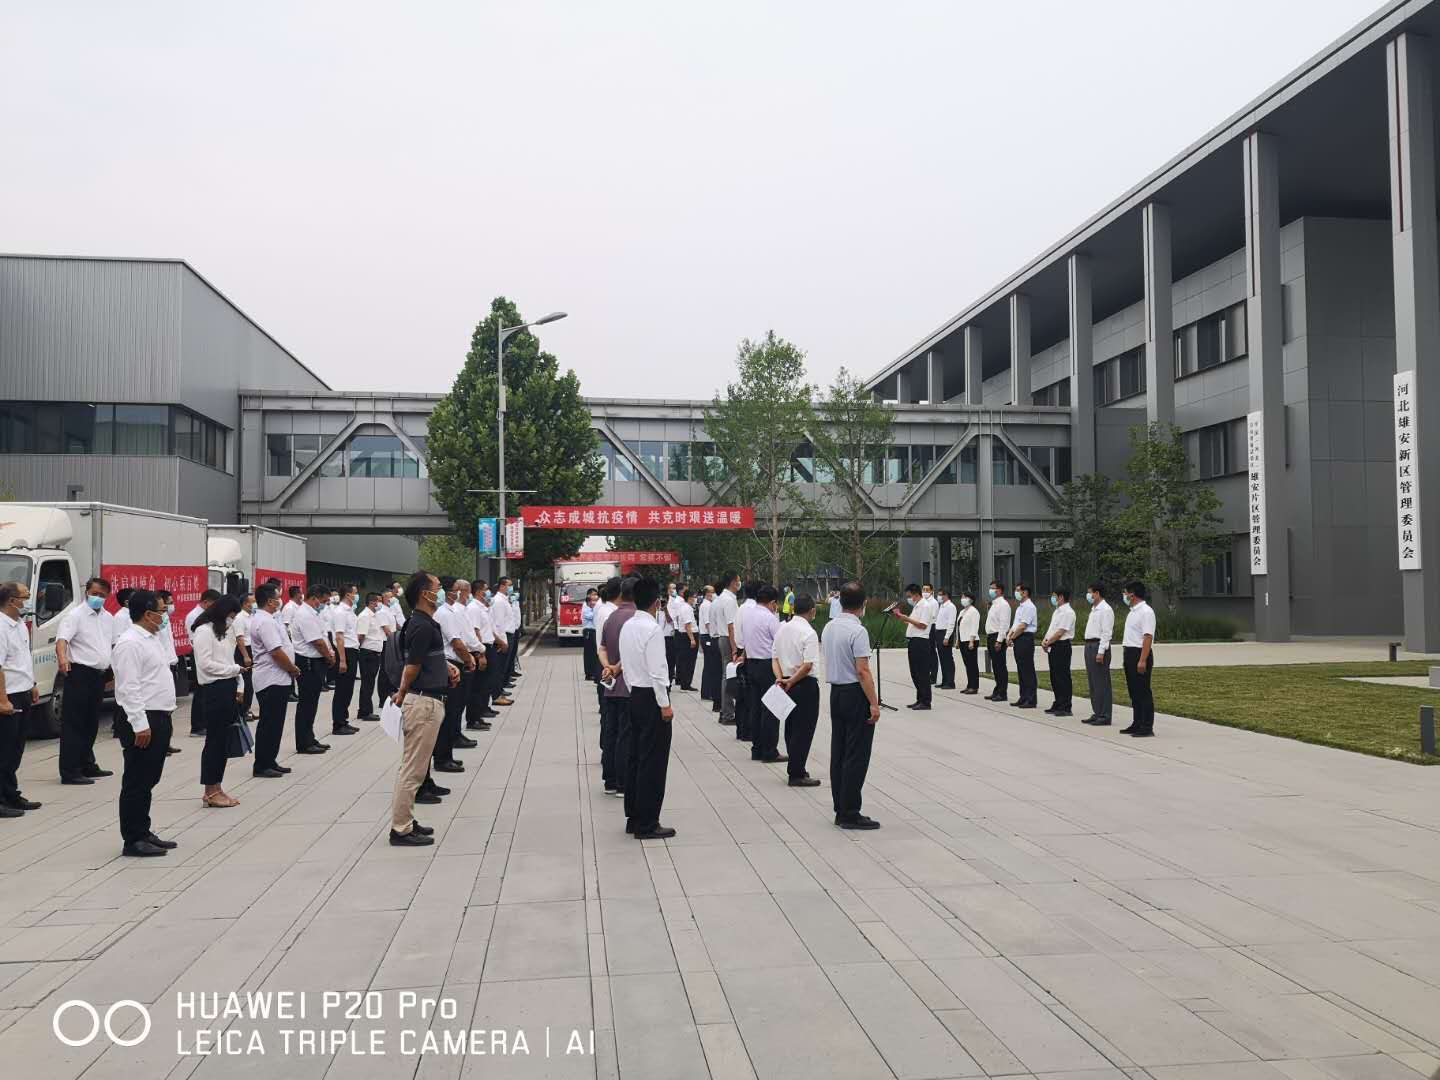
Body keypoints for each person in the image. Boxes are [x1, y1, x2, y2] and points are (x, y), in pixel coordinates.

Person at [388, 572, 456, 846]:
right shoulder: (422, 625)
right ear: (425, 594)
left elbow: (424, 658)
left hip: (427, 699)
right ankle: (401, 829)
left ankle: (406, 820)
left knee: (415, 767)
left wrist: (446, 667)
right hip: (423, 702)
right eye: (438, 588)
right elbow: (412, 665)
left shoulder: (422, 623)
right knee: (413, 770)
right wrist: (402, 692)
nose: (442, 592)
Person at [110, 589, 180, 856]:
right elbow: (129, 687)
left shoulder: (151, 638)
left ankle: (144, 830)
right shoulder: (130, 643)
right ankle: (133, 839)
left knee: (149, 777)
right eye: (162, 611)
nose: (165, 615)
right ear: (149, 614)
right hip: (142, 718)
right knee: (137, 780)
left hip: (159, 715)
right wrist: (139, 723)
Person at [618, 577, 676, 839]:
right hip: (652, 698)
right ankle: (648, 823)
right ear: (657, 603)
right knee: (653, 762)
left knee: (636, 757)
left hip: (634, 695)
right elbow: (658, 671)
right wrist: (665, 705)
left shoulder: (628, 626)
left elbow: (628, 664)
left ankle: (634, 816)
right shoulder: (652, 629)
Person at [822, 582, 881, 830]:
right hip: (855, 694)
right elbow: (862, 670)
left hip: (836, 693)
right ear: (863, 604)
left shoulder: (829, 627)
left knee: (839, 752)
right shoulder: (858, 631)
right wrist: (874, 703)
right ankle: (850, 812)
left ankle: (840, 806)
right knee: (856, 754)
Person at [55, 576, 115, 785]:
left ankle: (87, 764)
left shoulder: (108, 618)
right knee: (74, 723)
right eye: (94, 594)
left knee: (91, 722)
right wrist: (63, 659)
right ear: (86, 592)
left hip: (99, 675)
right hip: (79, 673)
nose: (97, 598)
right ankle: (70, 770)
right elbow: (62, 640)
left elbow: (112, 644)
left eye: (102, 595)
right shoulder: (75, 616)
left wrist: (113, 671)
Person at [192, 596, 244, 808]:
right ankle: (210, 790)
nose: (232, 620)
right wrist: (234, 670)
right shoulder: (203, 631)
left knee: (223, 741)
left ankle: (217, 786)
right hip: (214, 689)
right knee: (214, 742)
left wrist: (239, 683)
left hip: (228, 686)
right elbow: (205, 664)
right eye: (231, 615)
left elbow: (229, 660)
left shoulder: (221, 631)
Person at [249, 583, 299, 778]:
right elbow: (276, 652)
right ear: (270, 601)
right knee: (269, 723)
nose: (280, 601)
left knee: (276, 723)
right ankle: (262, 765)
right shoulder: (265, 622)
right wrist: (292, 668)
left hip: (278, 678)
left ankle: (270, 760)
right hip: (271, 679)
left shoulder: (269, 618)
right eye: (278, 597)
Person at [772, 592, 821, 786]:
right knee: (804, 729)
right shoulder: (809, 632)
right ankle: (796, 773)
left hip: (785, 682)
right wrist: (792, 680)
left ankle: (796, 766)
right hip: (803, 684)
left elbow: (774, 658)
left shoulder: (782, 628)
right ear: (812, 611)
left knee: (791, 727)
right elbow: (808, 665)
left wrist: (781, 679)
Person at [0, 582, 39, 817]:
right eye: (26, 596)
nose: (29, 600)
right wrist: (3, 700)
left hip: (23, 691)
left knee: (16, 749)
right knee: (4, 750)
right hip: (8, 695)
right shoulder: (1, 627)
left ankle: (10, 794)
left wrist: (32, 684)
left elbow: (23, 658)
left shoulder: (19, 625)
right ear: (13, 600)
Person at [599, 576, 639, 801]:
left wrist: (608, 667)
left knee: (611, 732)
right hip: (627, 685)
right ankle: (624, 782)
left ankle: (610, 780)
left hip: (611, 685)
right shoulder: (636, 618)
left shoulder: (611, 617)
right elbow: (634, 651)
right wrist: (617, 668)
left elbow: (602, 647)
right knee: (626, 735)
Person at [432, 577, 476, 774]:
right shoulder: (444, 613)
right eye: (456, 589)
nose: (459, 593)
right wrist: (469, 660)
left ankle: (447, 754)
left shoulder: (451, 611)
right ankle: (442, 758)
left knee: (454, 711)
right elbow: (456, 642)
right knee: (449, 714)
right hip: (450, 665)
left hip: (453, 664)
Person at [290, 584, 335, 754]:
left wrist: (329, 654)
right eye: (323, 601)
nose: (323, 604)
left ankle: (310, 737)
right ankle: (304, 743)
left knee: (312, 703)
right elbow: (317, 641)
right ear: (314, 597)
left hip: (316, 661)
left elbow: (323, 636)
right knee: (307, 703)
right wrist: (329, 656)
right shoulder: (304, 614)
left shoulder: (312, 613)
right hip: (308, 663)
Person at [744, 584, 783, 761]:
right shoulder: (770, 618)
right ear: (772, 602)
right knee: (771, 709)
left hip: (751, 664)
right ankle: (769, 751)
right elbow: (780, 642)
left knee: (755, 708)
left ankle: (757, 748)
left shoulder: (748, 615)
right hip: (767, 666)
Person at [1120, 581, 1157, 737]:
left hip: (1140, 653)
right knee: (1134, 691)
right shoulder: (1132, 612)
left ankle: (1146, 726)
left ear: (1132, 594)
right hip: (1129, 653)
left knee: (1143, 691)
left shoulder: (1146, 612)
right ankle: (1137, 722)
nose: (1124, 596)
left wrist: (1142, 660)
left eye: (1125, 592)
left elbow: (1147, 637)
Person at [893, 583, 934, 710]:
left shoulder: (925, 606)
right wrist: (902, 617)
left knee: (922, 672)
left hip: (920, 642)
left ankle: (926, 701)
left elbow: (923, 625)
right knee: (915, 672)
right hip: (913, 641)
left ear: (916, 594)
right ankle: (920, 699)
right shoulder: (917, 606)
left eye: (910, 596)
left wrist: (907, 618)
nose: (909, 599)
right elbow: (912, 623)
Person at [464, 580, 497, 729]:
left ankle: (480, 712)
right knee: (478, 686)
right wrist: (480, 654)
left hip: (487, 646)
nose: (488, 592)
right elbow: (475, 631)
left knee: (485, 683)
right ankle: (473, 719)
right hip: (481, 649)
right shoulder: (473, 608)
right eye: (486, 589)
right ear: (478, 591)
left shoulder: (481, 607)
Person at [1083, 583, 1115, 726]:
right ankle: (1097, 712)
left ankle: (1105, 715)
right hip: (1089, 645)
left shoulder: (1105, 610)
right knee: (1093, 682)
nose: (1088, 595)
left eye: (1090, 592)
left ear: (1097, 593)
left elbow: (1106, 633)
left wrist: (1101, 652)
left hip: (1098, 645)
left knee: (1102, 682)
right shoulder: (1094, 609)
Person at [330, 583, 360, 736]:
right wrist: (342, 660)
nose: (356, 595)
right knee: (342, 689)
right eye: (355, 593)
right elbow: (339, 637)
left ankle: (344, 720)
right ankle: (338, 724)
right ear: (348, 595)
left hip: (352, 650)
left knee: (348, 689)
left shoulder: (350, 611)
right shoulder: (340, 612)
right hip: (345, 652)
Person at [1042, 588, 1076, 717]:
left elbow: (1060, 632)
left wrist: (1049, 642)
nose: (1053, 598)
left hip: (1062, 645)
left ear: (1061, 597)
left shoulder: (1068, 612)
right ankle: (1058, 702)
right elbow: (1052, 629)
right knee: (1054, 676)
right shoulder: (1057, 611)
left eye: (1054, 596)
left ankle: (1066, 706)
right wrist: (1045, 641)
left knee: (1063, 676)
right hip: (1053, 645)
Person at [713, 572, 741, 727]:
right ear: (732, 582)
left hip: (722, 638)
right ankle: (728, 714)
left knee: (726, 674)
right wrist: (735, 647)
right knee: (728, 676)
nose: (739, 583)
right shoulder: (729, 600)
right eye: (738, 580)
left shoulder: (721, 598)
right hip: (728, 639)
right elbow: (731, 626)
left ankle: (724, 711)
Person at [1007, 583, 1038, 709]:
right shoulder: (1020, 607)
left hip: (1025, 638)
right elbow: (1015, 624)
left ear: (1025, 592)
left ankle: (1031, 699)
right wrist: (1009, 635)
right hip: (1018, 638)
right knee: (1021, 669)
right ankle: (1023, 696)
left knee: (1027, 669)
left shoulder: (1029, 606)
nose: (1016, 593)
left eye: (1018, 590)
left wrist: (1012, 637)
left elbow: (1023, 626)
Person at [355, 592, 386, 720]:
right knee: (367, 683)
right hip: (368, 653)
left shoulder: (374, 615)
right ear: (372, 602)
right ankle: (365, 712)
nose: (380, 604)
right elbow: (361, 636)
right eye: (379, 601)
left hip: (374, 653)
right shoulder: (365, 616)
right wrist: (361, 650)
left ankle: (365, 710)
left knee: (370, 683)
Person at [593, 579, 619, 717]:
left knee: (607, 705)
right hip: (609, 663)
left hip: (605, 660)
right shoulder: (610, 613)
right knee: (609, 706)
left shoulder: (605, 609)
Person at [985, 581, 1012, 702]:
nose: (991, 590)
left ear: (1000, 590)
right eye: (990, 588)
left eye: (993, 588)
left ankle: (1002, 692)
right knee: (995, 666)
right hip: (991, 636)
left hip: (997, 637)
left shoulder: (1003, 605)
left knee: (1000, 665)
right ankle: (997, 690)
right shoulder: (994, 604)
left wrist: (999, 640)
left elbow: (1004, 624)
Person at [233, 593, 255, 719]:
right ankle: (242, 711)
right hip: (243, 651)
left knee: (250, 682)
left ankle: (246, 709)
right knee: (245, 683)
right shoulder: (240, 618)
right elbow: (239, 638)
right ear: (246, 604)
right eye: (253, 602)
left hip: (251, 649)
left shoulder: (251, 616)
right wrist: (246, 656)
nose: (255, 604)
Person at [673, 587, 698, 691]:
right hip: (688, 636)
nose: (695, 599)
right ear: (689, 598)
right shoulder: (687, 608)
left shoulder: (684, 607)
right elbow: (687, 625)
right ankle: (686, 683)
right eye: (694, 597)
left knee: (685, 660)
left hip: (684, 635)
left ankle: (684, 683)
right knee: (689, 661)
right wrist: (692, 639)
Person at [956, 589, 982, 694]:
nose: (962, 599)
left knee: (972, 664)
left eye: (965, 597)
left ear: (971, 599)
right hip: (963, 640)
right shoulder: (962, 612)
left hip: (971, 641)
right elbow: (959, 627)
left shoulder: (974, 611)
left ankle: (974, 686)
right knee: (967, 664)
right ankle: (969, 685)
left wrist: (971, 641)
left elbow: (974, 627)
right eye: (962, 597)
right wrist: (957, 640)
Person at [933, 587, 958, 690]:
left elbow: (951, 623)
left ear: (946, 595)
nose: (938, 597)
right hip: (939, 633)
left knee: (947, 658)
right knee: (942, 658)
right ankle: (944, 681)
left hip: (945, 633)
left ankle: (950, 682)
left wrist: (947, 637)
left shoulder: (951, 607)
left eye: (940, 595)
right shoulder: (942, 606)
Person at [697, 586, 717, 702]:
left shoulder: (707, 604)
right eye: (711, 592)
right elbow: (708, 623)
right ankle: (707, 692)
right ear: (707, 593)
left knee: (709, 664)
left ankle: (707, 692)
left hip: (706, 636)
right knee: (709, 665)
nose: (713, 594)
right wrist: (713, 636)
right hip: (707, 636)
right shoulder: (707, 605)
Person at [661, 581, 679, 684]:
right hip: (660, 636)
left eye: (675, 588)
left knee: (670, 661)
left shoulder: (675, 603)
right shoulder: (660, 604)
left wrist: (666, 610)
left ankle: (669, 681)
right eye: (672, 588)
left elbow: (671, 620)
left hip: (670, 635)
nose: (673, 590)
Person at [581, 588, 600, 684]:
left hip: (594, 631)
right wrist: (596, 610)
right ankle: (589, 674)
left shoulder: (593, 605)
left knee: (593, 653)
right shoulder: (586, 605)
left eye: (596, 594)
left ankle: (593, 672)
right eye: (593, 594)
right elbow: (590, 616)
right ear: (588, 595)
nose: (595, 596)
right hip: (588, 631)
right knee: (589, 653)